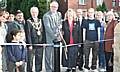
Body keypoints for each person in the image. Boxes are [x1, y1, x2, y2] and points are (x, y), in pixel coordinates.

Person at [43, 1, 62, 72]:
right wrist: (54, 36)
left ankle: (55, 68)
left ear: (57, 8)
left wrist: (59, 35)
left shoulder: (59, 14)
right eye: (52, 7)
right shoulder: (46, 16)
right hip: (49, 38)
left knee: (56, 55)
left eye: (55, 7)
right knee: (48, 56)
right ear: (50, 7)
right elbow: (47, 28)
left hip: (58, 38)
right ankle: (48, 70)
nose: (54, 8)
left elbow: (60, 24)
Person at [25, 6, 45, 72]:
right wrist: (30, 44)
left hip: (40, 43)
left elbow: (43, 32)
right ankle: (29, 70)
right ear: (31, 13)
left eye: (35, 12)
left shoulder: (41, 21)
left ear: (38, 13)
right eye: (33, 12)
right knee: (30, 60)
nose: (34, 13)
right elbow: (28, 34)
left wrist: (44, 42)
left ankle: (38, 70)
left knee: (39, 59)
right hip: (32, 44)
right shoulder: (28, 21)